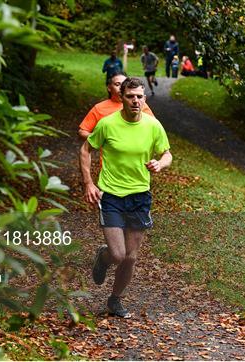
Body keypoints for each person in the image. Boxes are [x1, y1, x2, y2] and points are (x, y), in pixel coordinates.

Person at [79, 77, 172, 318]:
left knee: (130, 258)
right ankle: (104, 256)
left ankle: (114, 300)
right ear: (122, 98)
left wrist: (160, 164)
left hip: (139, 197)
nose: (135, 101)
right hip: (111, 194)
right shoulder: (107, 124)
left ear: (144, 98)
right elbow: (85, 149)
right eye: (130, 96)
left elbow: (167, 154)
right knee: (118, 254)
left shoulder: (153, 125)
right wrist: (89, 182)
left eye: (140, 96)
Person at [78, 72, 154, 140]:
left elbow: (154, 128)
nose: (121, 87)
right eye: (117, 84)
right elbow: (82, 131)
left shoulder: (139, 105)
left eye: (124, 84)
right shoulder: (99, 108)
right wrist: (101, 139)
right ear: (109, 88)